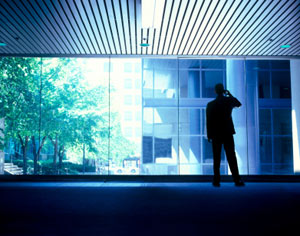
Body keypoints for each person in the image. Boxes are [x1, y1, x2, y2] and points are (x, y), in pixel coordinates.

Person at [206, 83, 245, 187]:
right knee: (231, 157)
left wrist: (209, 135)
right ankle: (237, 180)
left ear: (215, 91)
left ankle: (216, 180)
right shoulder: (228, 101)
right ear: (223, 90)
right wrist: (229, 94)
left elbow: (208, 121)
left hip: (216, 133)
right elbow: (238, 104)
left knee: (216, 157)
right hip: (227, 132)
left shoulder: (211, 104)